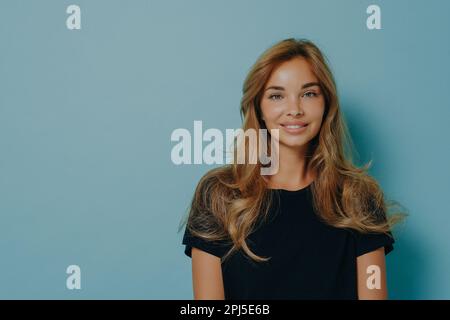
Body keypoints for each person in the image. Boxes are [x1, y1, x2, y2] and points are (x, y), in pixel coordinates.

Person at [181, 38, 403, 300]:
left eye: (309, 94)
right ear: (258, 108)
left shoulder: (358, 197)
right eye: (277, 95)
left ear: (326, 104)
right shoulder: (218, 195)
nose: (295, 109)